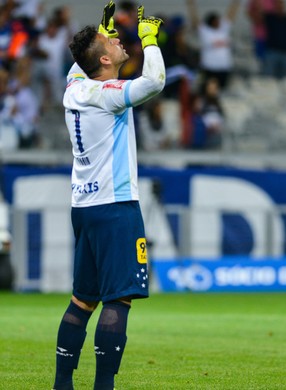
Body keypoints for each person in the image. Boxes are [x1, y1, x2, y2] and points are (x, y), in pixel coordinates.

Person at [52, 2, 165, 390]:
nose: (119, 42)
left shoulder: (75, 87)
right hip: (116, 208)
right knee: (119, 300)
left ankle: (62, 384)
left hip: (83, 208)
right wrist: (149, 39)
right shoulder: (107, 94)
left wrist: (101, 28)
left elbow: (77, 62)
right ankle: (104, 387)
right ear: (103, 59)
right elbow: (154, 82)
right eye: (110, 41)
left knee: (83, 299)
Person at [186, 0, 241, 90]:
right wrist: (191, 4)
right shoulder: (205, 31)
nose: (219, 22)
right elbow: (195, 19)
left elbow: (231, 15)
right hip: (210, 67)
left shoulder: (224, 29)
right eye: (216, 21)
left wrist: (236, 3)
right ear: (211, 22)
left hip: (224, 67)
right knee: (209, 90)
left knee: (222, 90)